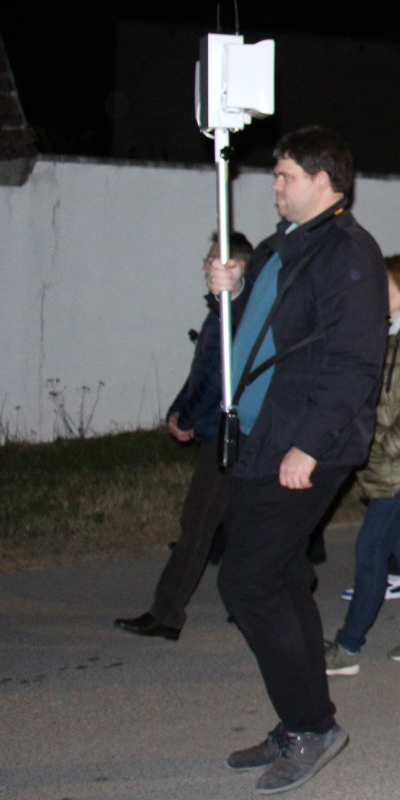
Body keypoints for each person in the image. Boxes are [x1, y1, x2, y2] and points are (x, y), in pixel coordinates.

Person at [210, 126, 388, 795]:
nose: (274, 186)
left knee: (246, 583)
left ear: (323, 180)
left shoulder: (349, 253)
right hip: (262, 435)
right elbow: (262, 333)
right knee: (282, 578)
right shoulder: (284, 245)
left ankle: (313, 725)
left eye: (285, 175)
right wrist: (229, 289)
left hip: (305, 442)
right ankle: (300, 722)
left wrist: (309, 446)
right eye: (276, 175)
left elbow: (355, 362)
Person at [115, 232, 253, 642]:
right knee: (239, 522)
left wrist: (187, 417)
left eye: (214, 259)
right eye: (207, 259)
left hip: (228, 435)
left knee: (198, 522)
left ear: (237, 267)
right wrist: (179, 409)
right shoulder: (219, 313)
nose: (206, 266)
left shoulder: (233, 315)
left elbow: (218, 379)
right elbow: (200, 372)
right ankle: (259, 601)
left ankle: (168, 612)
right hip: (220, 429)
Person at [324, 255, 400, 676]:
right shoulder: (389, 333)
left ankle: (348, 647)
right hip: (389, 466)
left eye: (387, 286)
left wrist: (384, 447)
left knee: (370, 550)